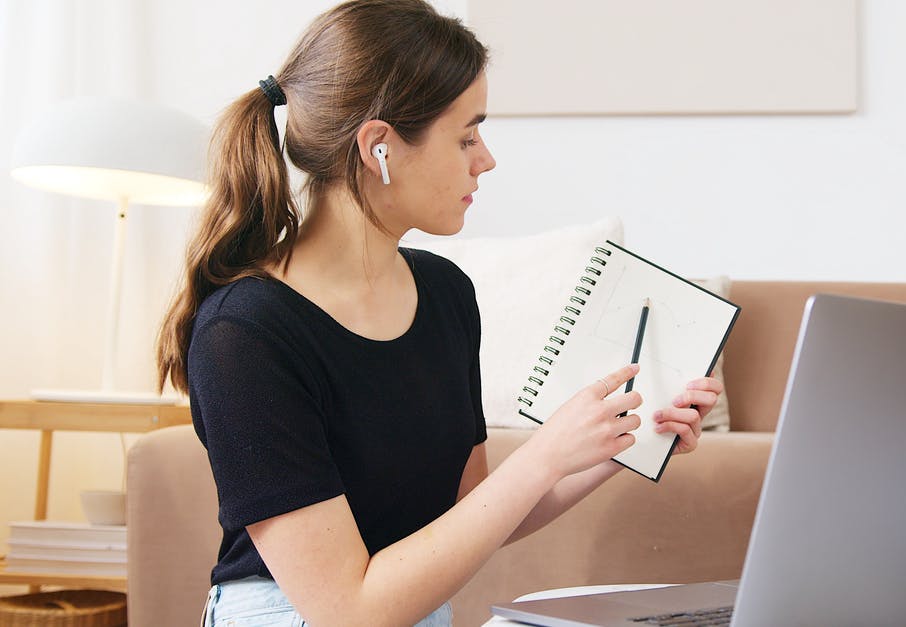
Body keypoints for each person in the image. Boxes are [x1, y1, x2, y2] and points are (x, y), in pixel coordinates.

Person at [154, 1, 723, 625]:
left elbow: (471, 510)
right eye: (466, 135)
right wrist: (540, 454)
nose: (486, 159)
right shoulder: (245, 334)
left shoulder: (445, 292)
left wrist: (622, 444)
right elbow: (348, 609)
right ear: (380, 148)